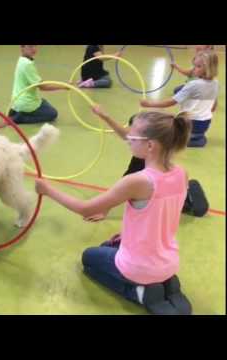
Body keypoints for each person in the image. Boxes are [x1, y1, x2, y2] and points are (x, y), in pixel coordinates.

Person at [35, 108, 193, 315]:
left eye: (132, 136)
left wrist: (48, 190)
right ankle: (164, 283)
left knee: (89, 258)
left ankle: (138, 291)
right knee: (110, 246)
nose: (128, 139)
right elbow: (157, 217)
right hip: (169, 262)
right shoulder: (182, 173)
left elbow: (85, 209)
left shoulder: (137, 181)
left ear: (150, 145)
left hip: (139, 267)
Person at [141, 50, 219, 147]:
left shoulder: (193, 84)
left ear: (208, 68)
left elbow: (171, 102)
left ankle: (186, 138)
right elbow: (214, 106)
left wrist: (149, 104)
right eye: (194, 65)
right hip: (205, 123)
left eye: (198, 66)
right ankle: (197, 137)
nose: (194, 69)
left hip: (190, 123)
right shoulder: (215, 83)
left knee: (159, 122)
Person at [8, 45, 66, 124]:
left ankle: (18, 112)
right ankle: (20, 118)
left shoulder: (22, 60)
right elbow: (43, 86)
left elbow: (40, 83)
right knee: (53, 114)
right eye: (30, 46)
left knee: (43, 102)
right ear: (22, 48)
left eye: (35, 46)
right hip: (26, 103)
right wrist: (64, 86)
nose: (34, 49)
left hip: (17, 102)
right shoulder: (27, 64)